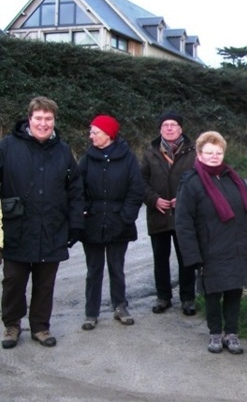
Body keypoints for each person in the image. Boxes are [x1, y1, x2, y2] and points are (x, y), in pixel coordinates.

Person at [1, 96, 85, 349]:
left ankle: (40, 326)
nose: (43, 123)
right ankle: (12, 325)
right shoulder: (7, 146)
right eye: (39, 118)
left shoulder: (63, 151)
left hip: (52, 228)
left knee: (45, 282)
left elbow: (75, 189)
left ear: (54, 121)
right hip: (16, 228)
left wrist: (76, 224)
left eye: (48, 119)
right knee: (14, 281)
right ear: (29, 119)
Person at [176, 131, 247, 355]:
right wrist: (192, 256)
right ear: (199, 154)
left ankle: (231, 333)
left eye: (219, 152)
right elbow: (183, 222)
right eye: (209, 152)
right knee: (213, 292)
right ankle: (215, 332)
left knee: (235, 290)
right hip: (210, 249)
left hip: (236, 246)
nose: (214, 156)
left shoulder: (234, 178)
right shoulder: (191, 182)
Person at [79, 115, 145, 330]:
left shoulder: (127, 158)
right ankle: (91, 312)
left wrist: (126, 216)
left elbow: (136, 189)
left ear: (108, 134)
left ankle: (120, 306)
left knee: (117, 267)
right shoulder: (87, 158)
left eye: (94, 132)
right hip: (93, 221)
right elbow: (78, 188)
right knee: (93, 269)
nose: (91, 136)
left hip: (119, 221)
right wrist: (86, 211)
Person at [141, 111, 197, 316]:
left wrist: (184, 199)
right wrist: (153, 199)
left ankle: (188, 298)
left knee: (186, 257)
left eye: (174, 124)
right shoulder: (150, 152)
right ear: (160, 129)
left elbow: (199, 180)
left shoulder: (194, 152)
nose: (170, 128)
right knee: (160, 258)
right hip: (158, 214)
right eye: (165, 125)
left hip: (185, 215)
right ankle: (163, 297)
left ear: (181, 128)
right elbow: (141, 182)